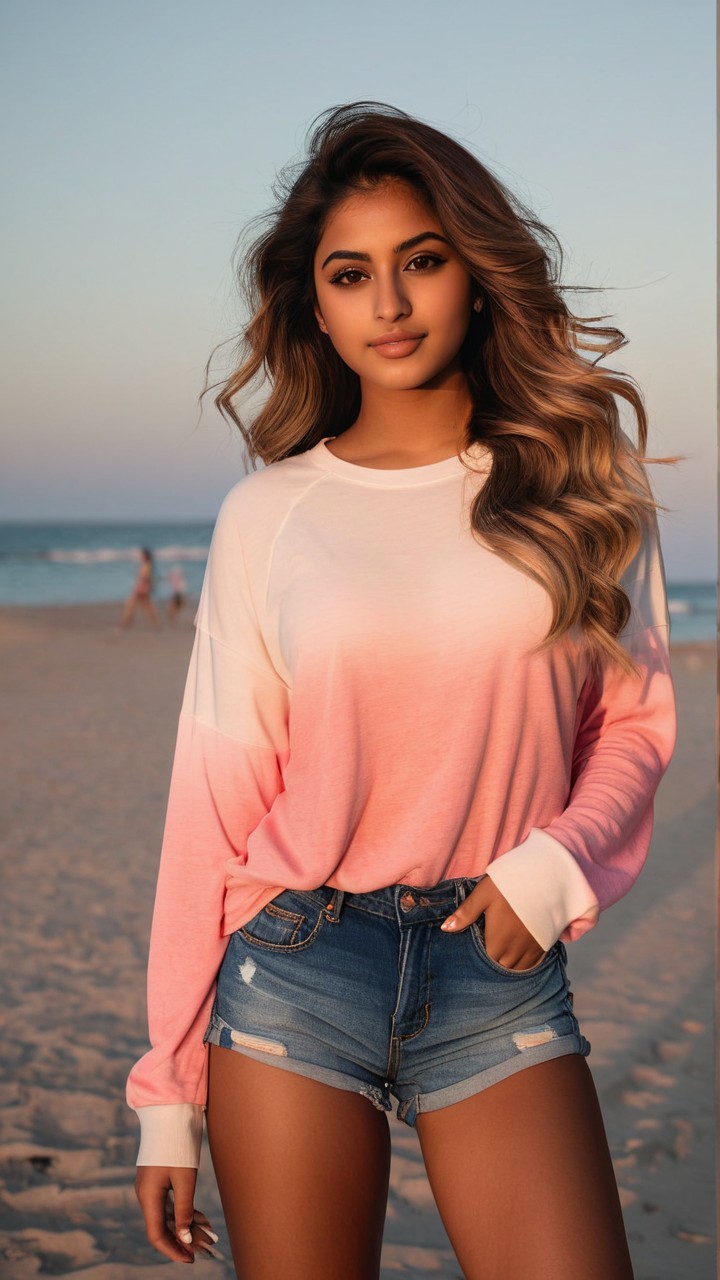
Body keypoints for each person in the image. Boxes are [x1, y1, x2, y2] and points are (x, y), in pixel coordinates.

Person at [127, 102, 677, 1279]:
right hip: (294, 962)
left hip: (501, 964)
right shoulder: (268, 516)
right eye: (351, 272)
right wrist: (166, 1090)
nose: (389, 302)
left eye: (420, 260)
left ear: (474, 274)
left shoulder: (580, 475)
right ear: (313, 302)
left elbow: (632, 726)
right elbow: (211, 809)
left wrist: (555, 865)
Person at [121, 546, 161, 630]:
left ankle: (126, 623)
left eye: (142, 555)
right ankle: (156, 624)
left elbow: (144, 577)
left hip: (142, 589)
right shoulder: (147, 564)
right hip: (143, 589)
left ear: (145, 556)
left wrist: (138, 587)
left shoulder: (146, 565)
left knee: (132, 605)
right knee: (146, 607)